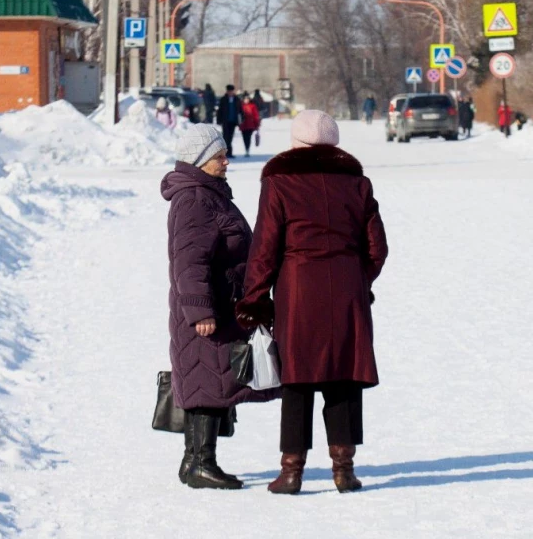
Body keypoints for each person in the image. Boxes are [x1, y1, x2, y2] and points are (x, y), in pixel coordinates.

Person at [236, 110, 388, 495]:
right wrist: (358, 278)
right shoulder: (357, 183)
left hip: (298, 290)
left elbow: (265, 247)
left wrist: (254, 298)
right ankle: (344, 469)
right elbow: (377, 248)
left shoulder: (279, 182)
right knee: (343, 376)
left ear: (295, 142)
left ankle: (291, 472)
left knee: (298, 380)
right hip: (347, 291)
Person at [161, 124, 279, 490]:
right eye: (218, 156)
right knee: (206, 383)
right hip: (206, 310)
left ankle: (194, 462)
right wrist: (200, 312)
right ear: (200, 160)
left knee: (207, 381)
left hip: (219, 305)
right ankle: (200, 464)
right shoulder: (195, 199)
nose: (226, 161)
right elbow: (189, 261)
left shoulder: (207, 195)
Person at [215, 85, 243, 158]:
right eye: (229, 91)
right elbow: (220, 110)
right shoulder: (223, 99)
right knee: (225, 137)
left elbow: (240, 110)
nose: (230, 92)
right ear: (227, 91)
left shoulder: (237, 99)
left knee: (230, 137)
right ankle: (225, 153)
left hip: (233, 121)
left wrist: (241, 120)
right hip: (225, 121)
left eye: (231, 91)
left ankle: (229, 153)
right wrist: (219, 120)